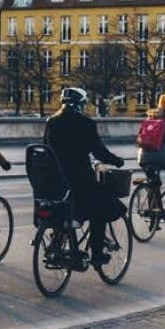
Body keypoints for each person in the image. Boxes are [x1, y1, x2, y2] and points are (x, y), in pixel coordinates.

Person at [42, 87, 125, 266]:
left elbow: (46, 149)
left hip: (56, 183)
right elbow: (99, 151)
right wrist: (117, 161)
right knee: (100, 209)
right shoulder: (86, 124)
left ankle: (60, 241)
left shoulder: (52, 122)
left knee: (71, 208)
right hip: (80, 183)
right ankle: (97, 254)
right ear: (81, 104)